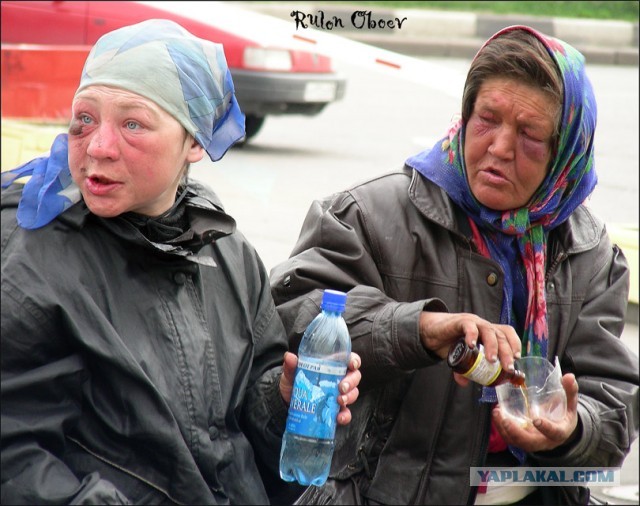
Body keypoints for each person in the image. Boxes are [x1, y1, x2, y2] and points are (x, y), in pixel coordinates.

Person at [270, 25, 639, 505]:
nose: (500, 147)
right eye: (487, 119)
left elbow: (614, 402)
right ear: (465, 117)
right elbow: (293, 318)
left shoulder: (588, 254)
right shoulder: (367, 214)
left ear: (565, 152)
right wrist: (419, 328)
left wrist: (571, 430)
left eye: (529, 135)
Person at [0, 19, 361, 505]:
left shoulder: (227, 253)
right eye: (84, 119)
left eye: (133, 124)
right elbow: (14, 449)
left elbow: (249, 413)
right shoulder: (33, 259)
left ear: (194, 142)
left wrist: (284, 397)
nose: (98, 147)